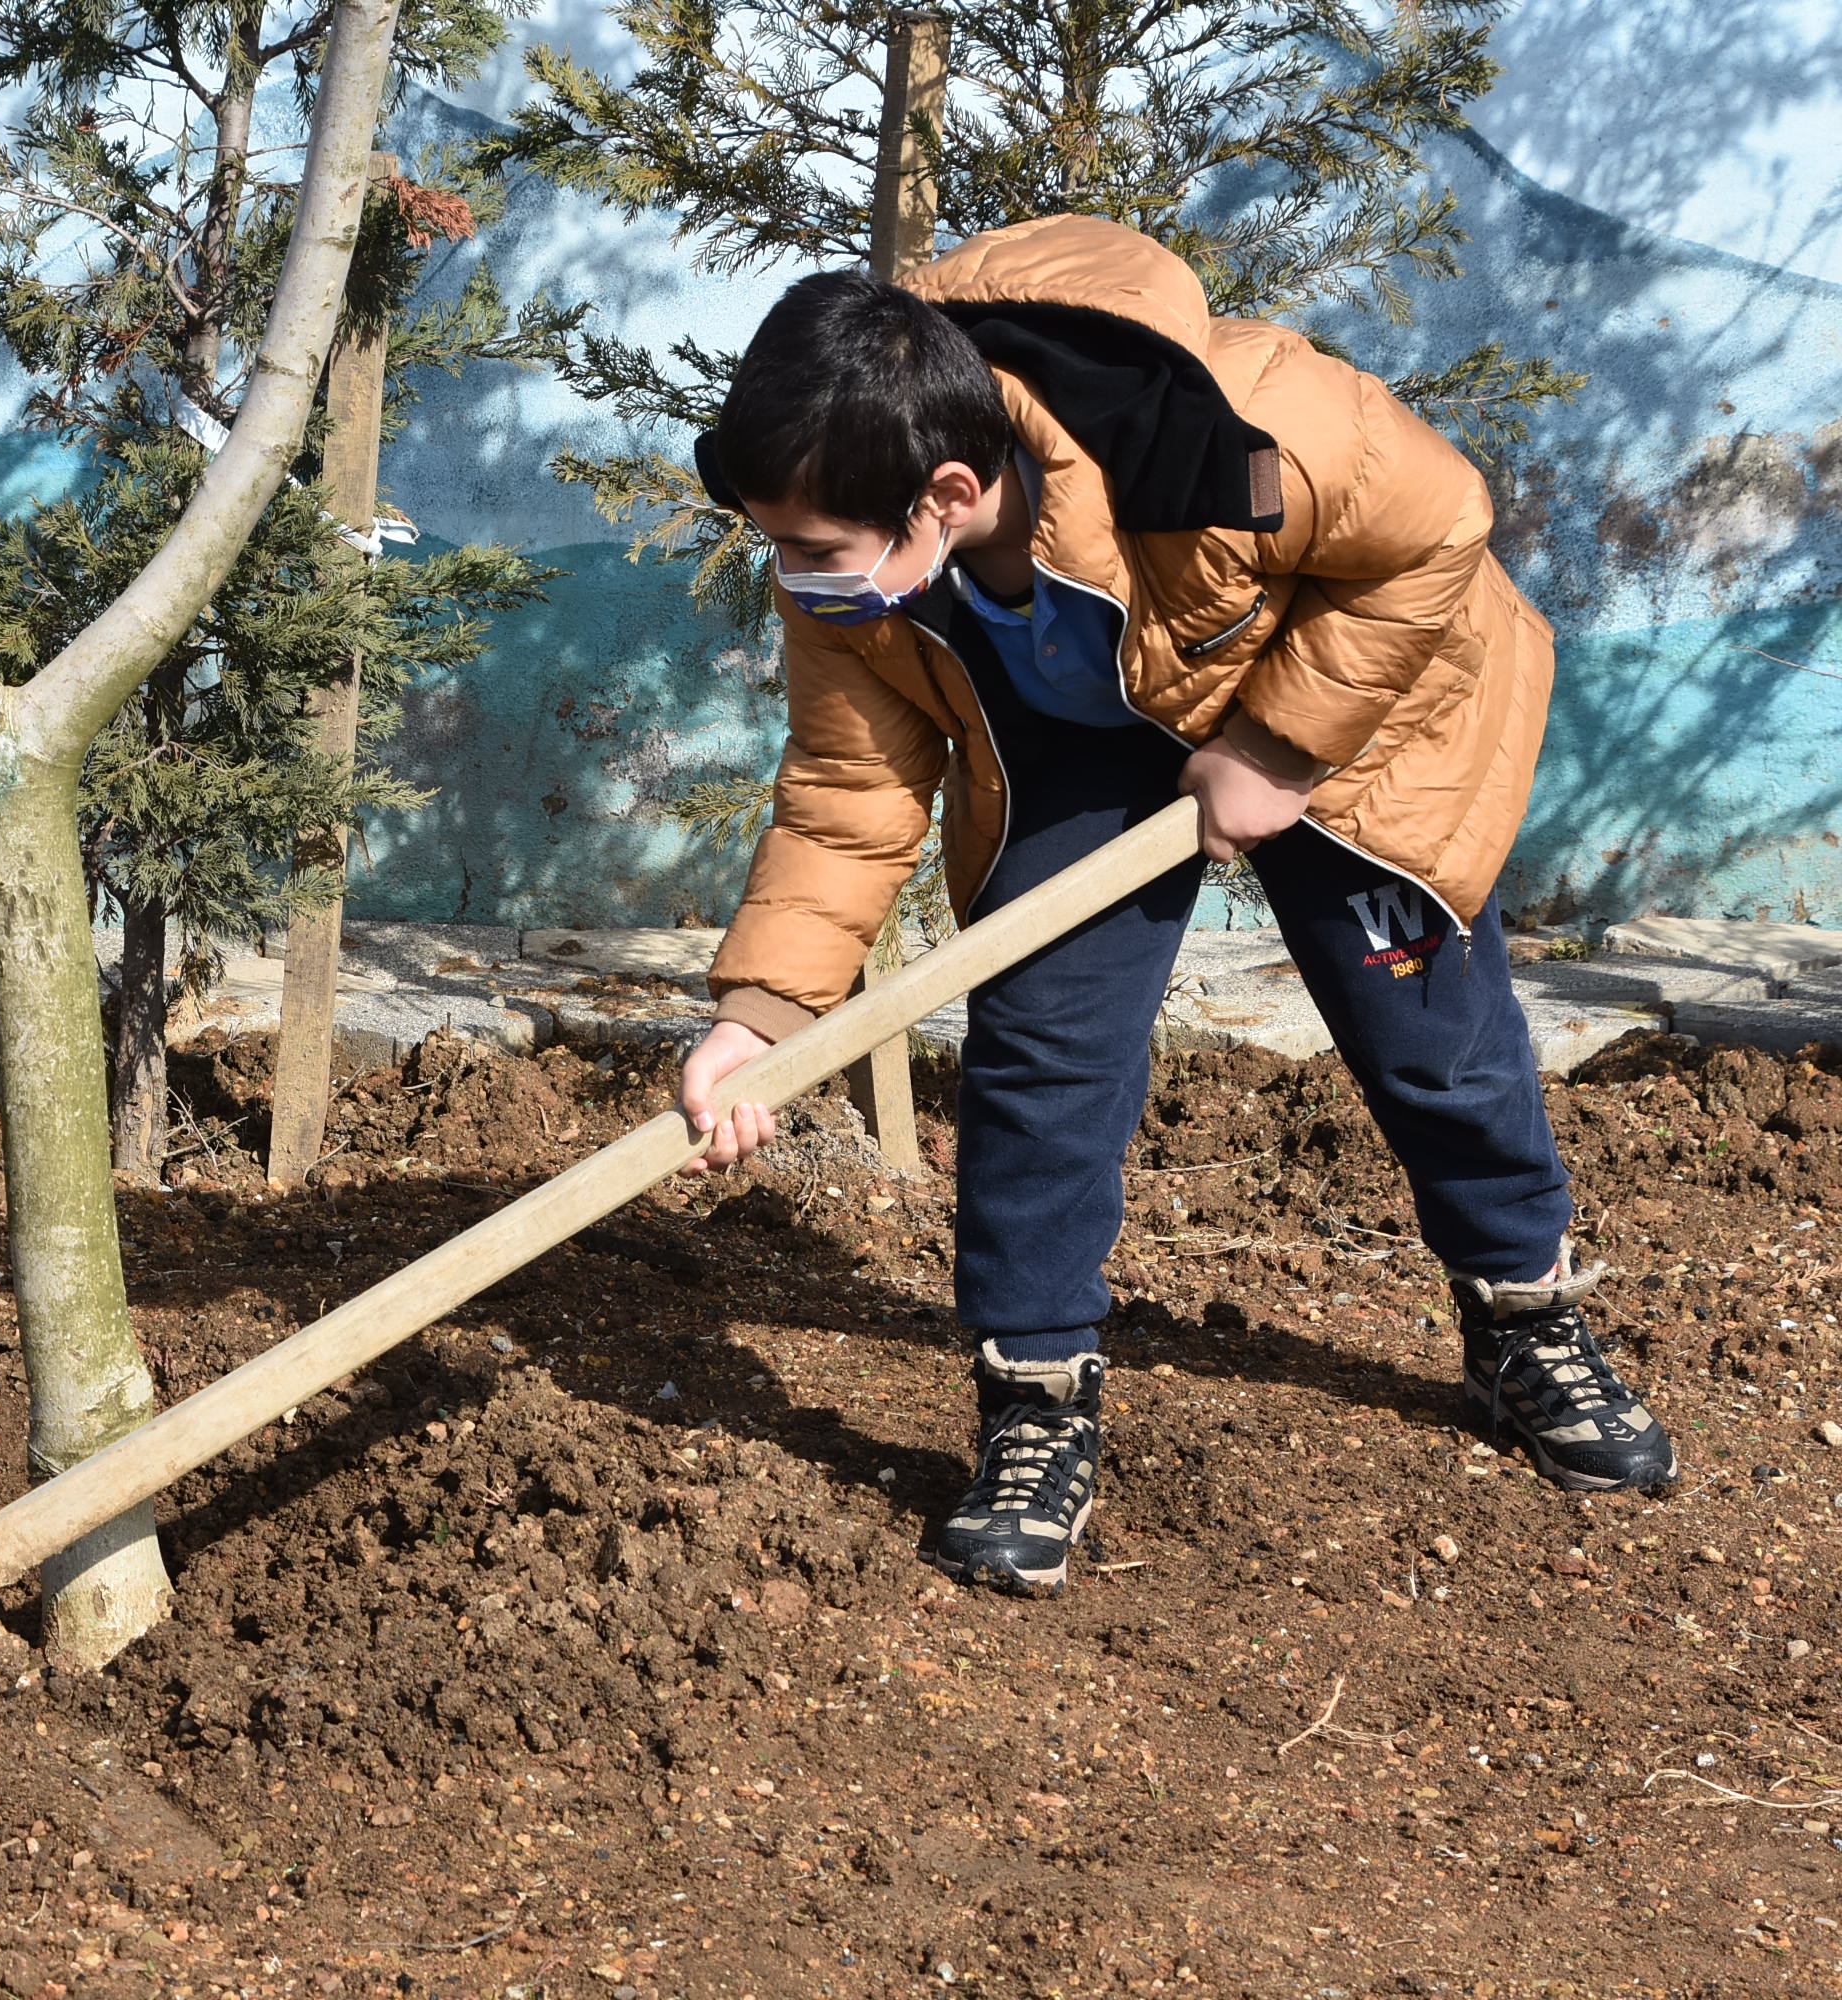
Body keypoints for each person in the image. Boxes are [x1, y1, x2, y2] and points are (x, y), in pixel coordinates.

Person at [676, 216, 1672, 1596]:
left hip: (1343, 700)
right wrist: (763, 1012)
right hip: (1083, 738)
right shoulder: (852, 552)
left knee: (1432, 1038)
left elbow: (1439, 524)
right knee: (1040, 1057)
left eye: (818, 546)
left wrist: (1277, 747)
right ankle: (1035, 1398)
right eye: (779, 543)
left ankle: (1524, 1321)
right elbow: (849, 783)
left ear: (947, 491)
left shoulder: (1231, 429)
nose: (797, 573)